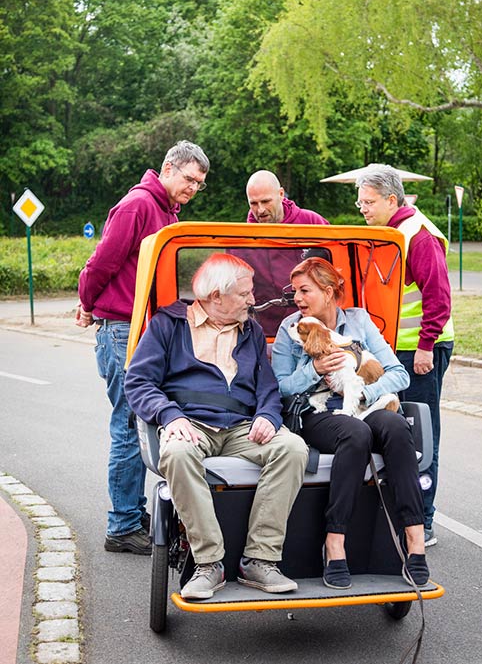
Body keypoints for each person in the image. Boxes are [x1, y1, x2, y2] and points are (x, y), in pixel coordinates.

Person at [124, 253, 308, 599]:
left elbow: (267, 386)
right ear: (215, 296)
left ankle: (260, 559)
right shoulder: (168, 324)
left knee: (293, 448)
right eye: (244, 294)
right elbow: (137, 382)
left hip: (241, 425)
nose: (252, 300)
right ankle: (209, 563)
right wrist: (169, 414)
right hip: (190, 422)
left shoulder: (250, 330)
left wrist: (268, 416)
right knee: (176, 454)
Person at [76, 140, 210, 555]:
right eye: (189, 179)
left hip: (143, 331)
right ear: (168, 169)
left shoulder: (167, 210)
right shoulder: (138, 205)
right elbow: (102, 262)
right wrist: (86, 303)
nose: (192, 189)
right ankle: (121, 526)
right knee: (130, 424)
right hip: (122, 329)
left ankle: (132, 514)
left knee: (144, 423)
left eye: (199, 184)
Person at [272, 257, 429, 589]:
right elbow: (280, 388)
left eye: (304, 291)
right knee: (355, 434)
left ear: (328, 293)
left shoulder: (358, 321)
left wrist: (365, 395)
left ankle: (415, 538)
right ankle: (335, 541)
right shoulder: (290, 328)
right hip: (318, 412)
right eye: (294, 292)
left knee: (398, 428)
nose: (297, 299)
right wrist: (312, 371)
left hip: (364, 402)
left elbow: (398, 374)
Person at [355, 164, 454, 547]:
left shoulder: (419, 235)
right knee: (394, 427)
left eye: (368, 201)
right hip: (396, 348)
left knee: (420, 432)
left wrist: (426, 346)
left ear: (391, 200)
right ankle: (400, 512)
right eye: (360, 201)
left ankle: (423, 520)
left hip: (420, 350)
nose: (362, 208)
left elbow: (438, 297)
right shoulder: (389, 234)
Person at [233, 169, 330, 335]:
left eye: (266, 201)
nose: (261, 210)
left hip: (312, 325)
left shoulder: (312, 222)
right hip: (265, 330)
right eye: (254, 204)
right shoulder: (244, 239)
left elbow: (333, 271)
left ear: (281, 194)